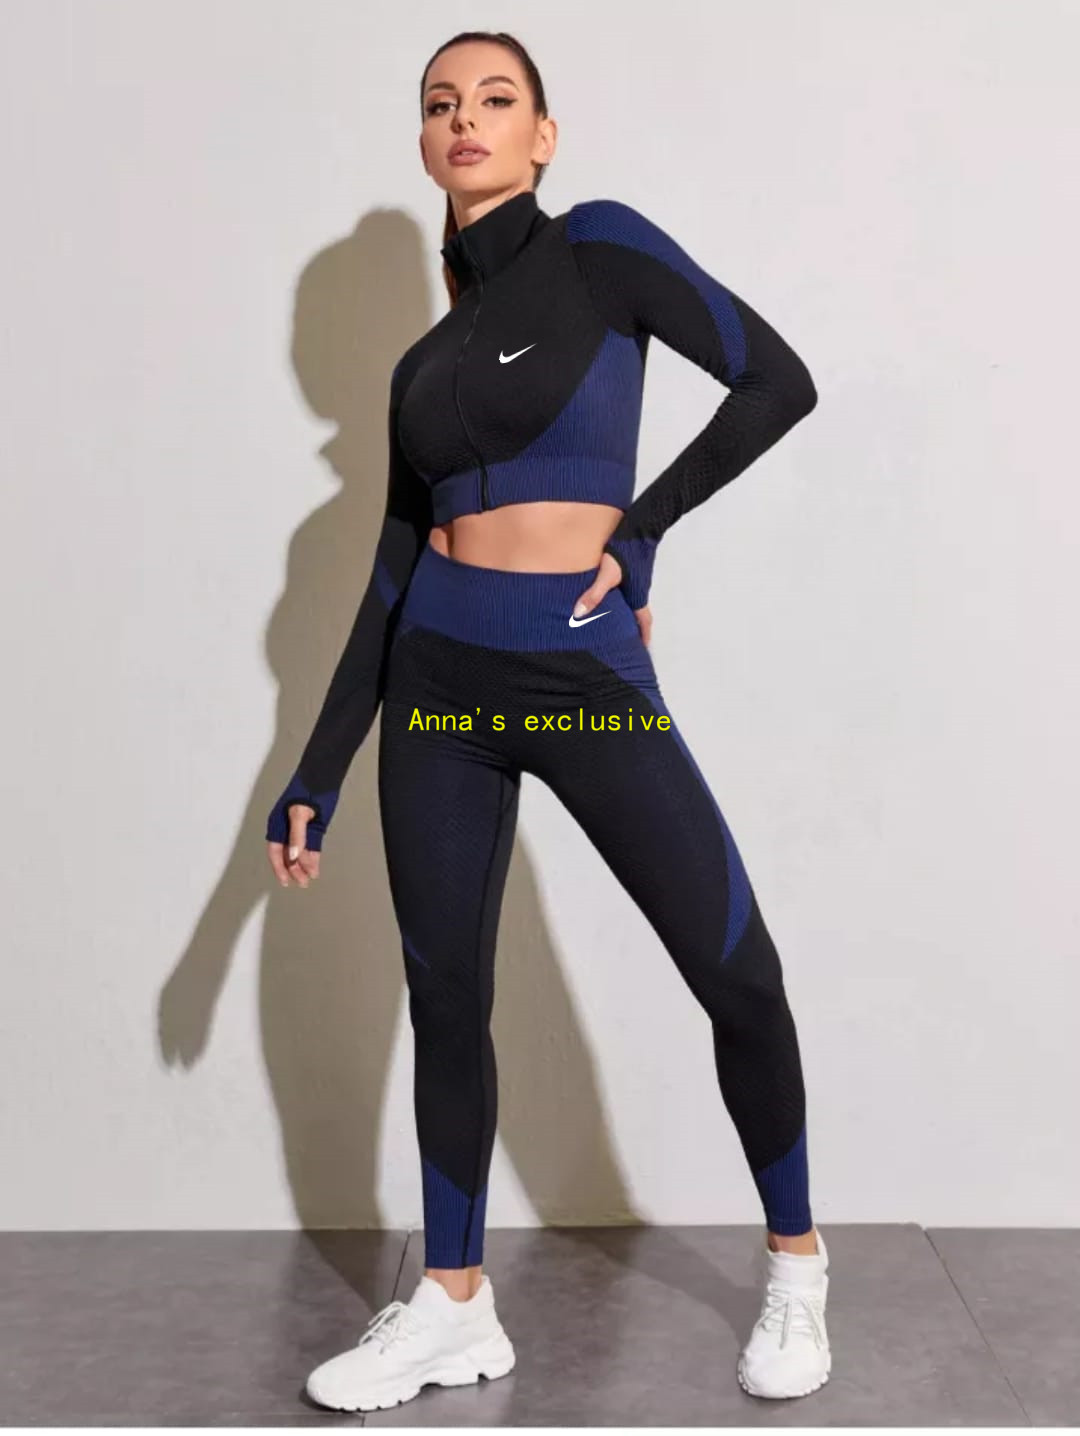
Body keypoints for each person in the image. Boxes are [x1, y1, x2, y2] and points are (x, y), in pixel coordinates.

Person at [265, 28, 830, 1413]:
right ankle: (455, 1304)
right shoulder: (419, 368)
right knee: (448, 997)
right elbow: (392, 569)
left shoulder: (599, 250)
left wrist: (641, 534)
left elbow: (778, 379)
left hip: (582, 679)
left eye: (496, 98)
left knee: (735, 970)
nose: (466, 118)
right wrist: (317, 770)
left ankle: (798, 1267)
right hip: (438, 691)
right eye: (440, 104)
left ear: (543, 135)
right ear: (423, 143)